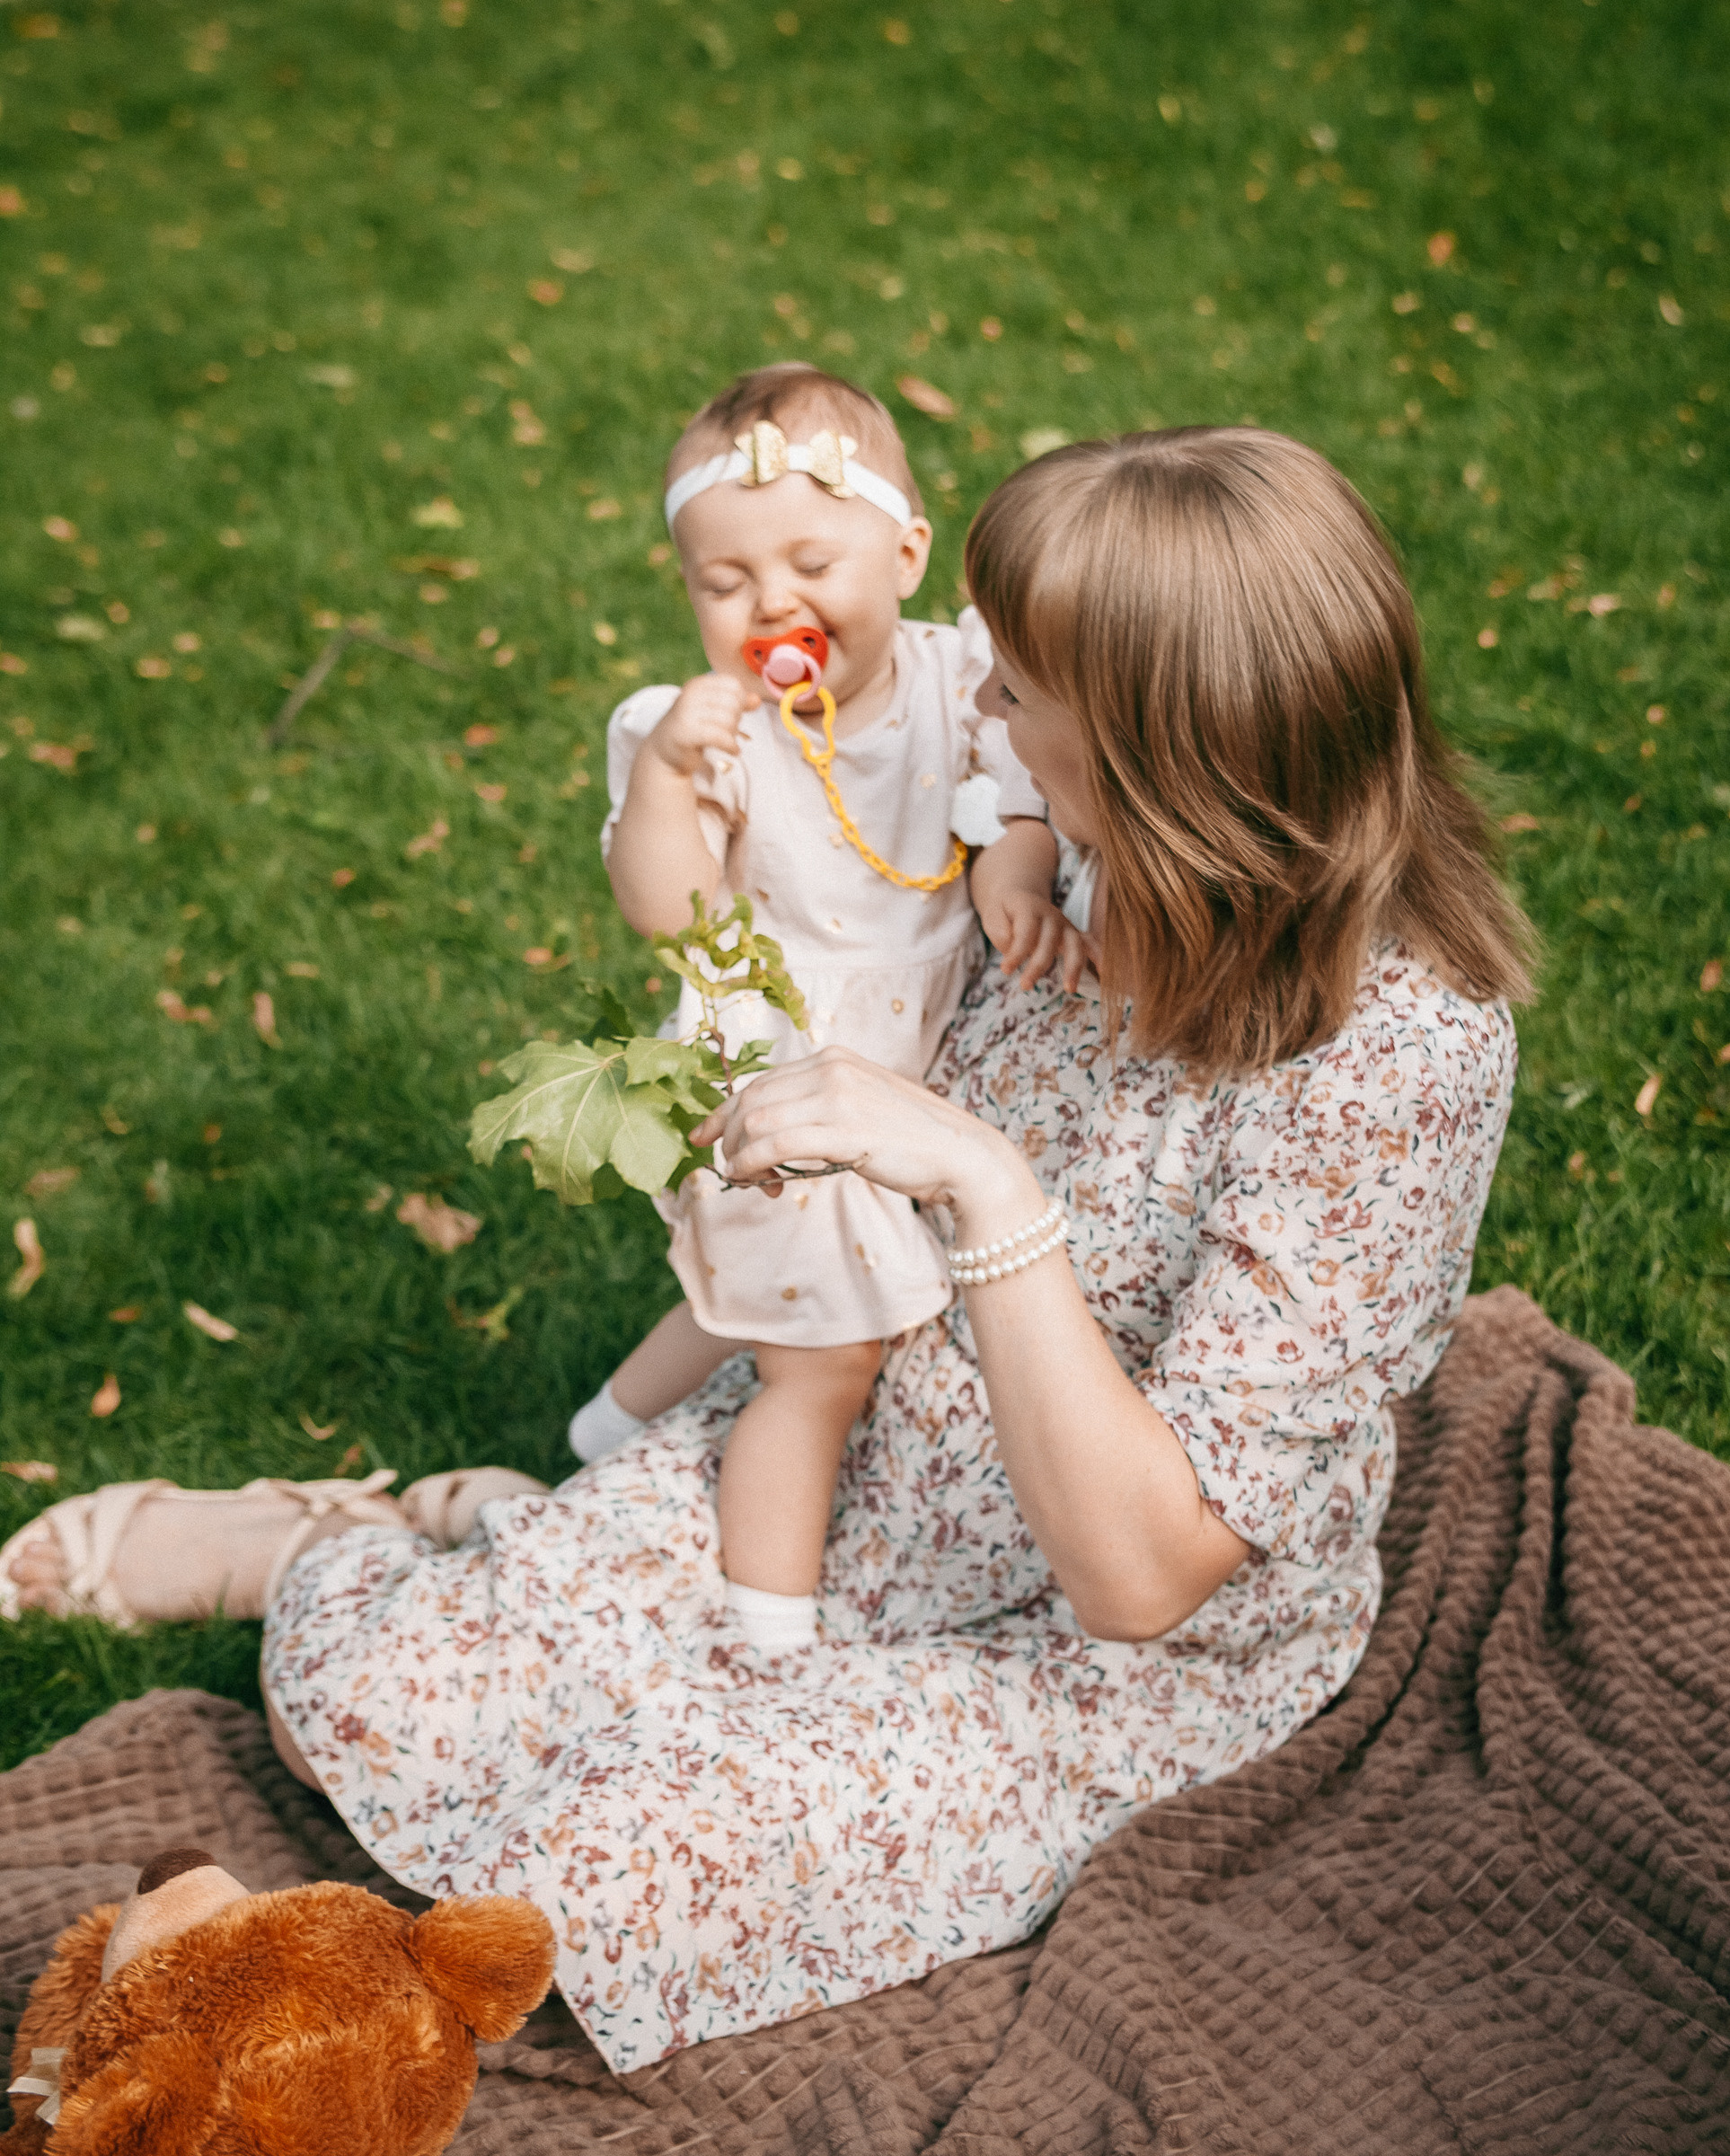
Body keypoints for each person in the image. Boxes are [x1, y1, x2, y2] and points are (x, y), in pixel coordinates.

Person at [3, 426, 1531, 2079]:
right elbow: (805, 837)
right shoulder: (1064, 847)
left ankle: (500, 1603)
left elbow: (1143, 1578)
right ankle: (364, 1540)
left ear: (1177, 756)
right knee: (367, 1714)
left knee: (582, 1895)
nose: (982, 721)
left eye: (1017, 698)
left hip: (1092, 1649)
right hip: (853, 1454)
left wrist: (983, 1183)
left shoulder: (1402, 1057)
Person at [569, 363, 1081, 1652]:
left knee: (757, 1297)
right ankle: (770, 1632)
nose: (770, 603)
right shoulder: (697, 732)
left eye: (809, 563)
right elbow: (668, 910)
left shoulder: (958, 677)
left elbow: (1018, 772)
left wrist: (1016, 857)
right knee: (822, 1363)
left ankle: (593, 1437)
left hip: (911, 1075)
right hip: (775, 1072)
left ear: (905, 554)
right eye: (723, 582)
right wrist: (673, 785)